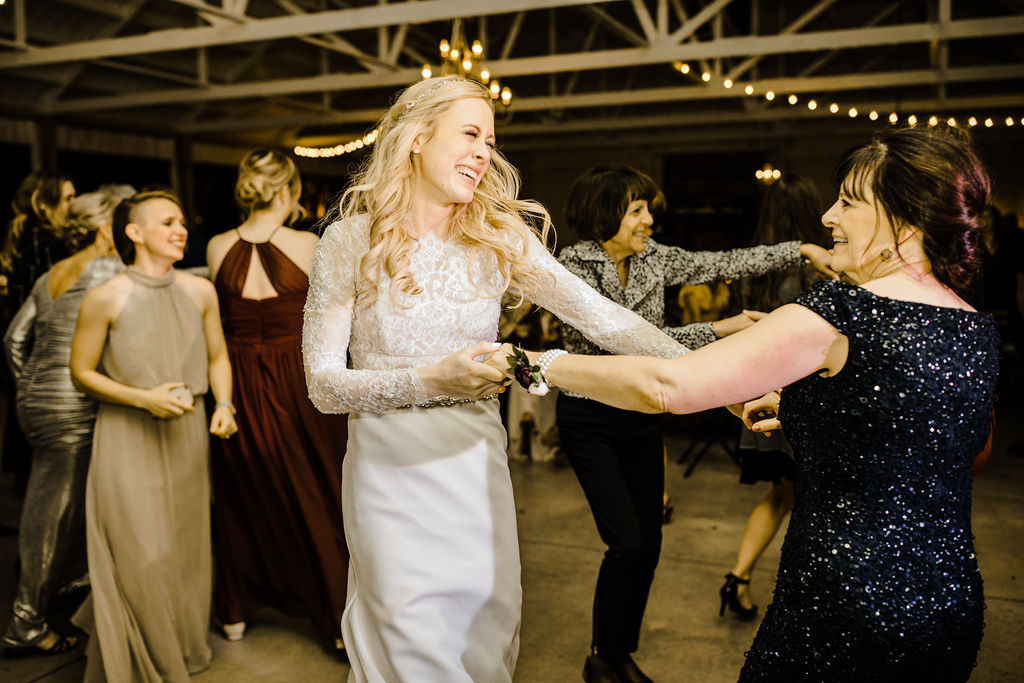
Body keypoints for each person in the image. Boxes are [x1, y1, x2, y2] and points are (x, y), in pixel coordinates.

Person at [491, 126, 997, 681]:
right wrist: (822, 413)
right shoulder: (974, 324)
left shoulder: (840, 310)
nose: (829, 216)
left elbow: (667, 387)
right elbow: (958, 447)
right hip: (948, 600)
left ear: (903, 217)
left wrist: (530, 363)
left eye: (848, 202)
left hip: (846, 602)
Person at [301, 75, 687, 683]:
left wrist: (703, 375)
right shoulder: (352, 238)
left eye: (491, 139)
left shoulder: (500, 236)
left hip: (475, 465)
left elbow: (605, 319)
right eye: (471, 134)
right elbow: (323, 386)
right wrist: (432, 380)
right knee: (411, 642)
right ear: (417, 139)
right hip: (388, 474)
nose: (485, 151)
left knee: (483, 629)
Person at [554, 165, 833, 682]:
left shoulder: (654, 259)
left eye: (647, 210)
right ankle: (599, 656)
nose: (648, 220)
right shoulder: (573, 265)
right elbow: (621, 339)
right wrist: (721, 328)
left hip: (641, 411)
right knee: (627, 543)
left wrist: (801, 249)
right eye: (637, 210)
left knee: (650, 543)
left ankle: (619, 654)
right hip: (589, 415)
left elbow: (722, 261)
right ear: (605, 212)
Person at [69, 190, 237, 681]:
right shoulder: (106, 297)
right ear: (134, 232)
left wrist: (224, 404)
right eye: (167, 222)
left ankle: (180, 647)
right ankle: (138, 655)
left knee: (183, 550)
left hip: (187, 433)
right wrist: (143, 398)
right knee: (140, 550)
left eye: (182, 221)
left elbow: (217, 357)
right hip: (127, 433)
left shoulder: (200, 291)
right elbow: (81, 372)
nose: (180, 230)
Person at [205, 149, 349, 652]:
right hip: (298, 377)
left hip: (239, 380)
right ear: (288, 191)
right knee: (320, 489)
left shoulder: (217, 246)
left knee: (244, 494)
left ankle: (236, 611)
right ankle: (335, 617)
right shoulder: (307, 243)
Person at [0, 185, 133, 657]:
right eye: (122, 221)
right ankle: (26, 622)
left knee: (63, 501)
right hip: (73, 401)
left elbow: (14, 340)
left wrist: (29, 392)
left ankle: (69, 594)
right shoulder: (106, 268)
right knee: (55, 511)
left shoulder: (53, 272)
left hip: (35, 399)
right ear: (104, 227)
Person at [721, 174, 829, 620]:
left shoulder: (754, 265)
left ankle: (739, 578)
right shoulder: (813, 267)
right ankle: (807, 602)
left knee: (783, 492)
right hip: (801, 396)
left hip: (759, 391)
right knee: (810, 497)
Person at [1, 172, 77, 487]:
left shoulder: (28, 237)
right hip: (42, 349)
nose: (75, 203)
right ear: (46, 205)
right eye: (69, 197)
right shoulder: (47, 243)